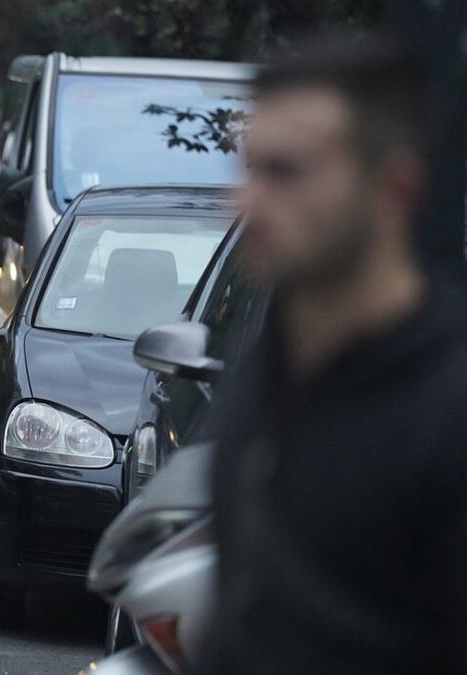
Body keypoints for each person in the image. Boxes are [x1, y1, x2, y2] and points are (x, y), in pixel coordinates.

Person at [198, 36, 467, 674]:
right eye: (249, 169)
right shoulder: (266, 374)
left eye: (286, 173)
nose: (246, 204)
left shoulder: (448, 409)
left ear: (393, 191)